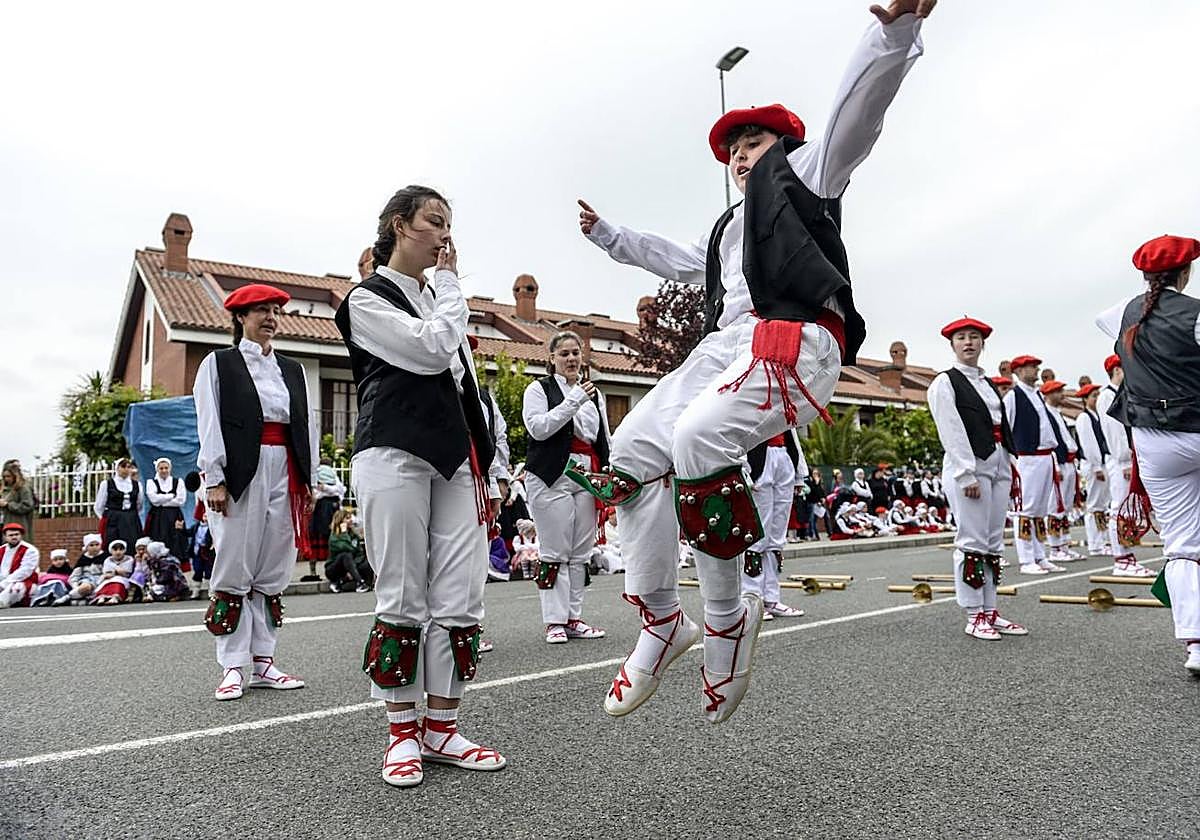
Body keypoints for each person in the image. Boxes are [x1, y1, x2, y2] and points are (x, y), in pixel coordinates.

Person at [576, 0, 936, 724]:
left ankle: (727, 617)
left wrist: (892, 32)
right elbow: (677, 260)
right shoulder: (728, 226)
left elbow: (856, 112)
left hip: (793, 336)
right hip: (724, 347)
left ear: (786, 143)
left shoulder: (809, 177)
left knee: (695, 439)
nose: (741, 154)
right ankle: (659, 620)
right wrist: (610, 235)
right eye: (733, 147)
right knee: (632, 451)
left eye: (752, 140)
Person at [335, 187, 505, 787]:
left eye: (448, 223)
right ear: (399, 225)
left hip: (457, 455)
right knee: (403, 592)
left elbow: (464, 384)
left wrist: (491, 458)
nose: (444, 234)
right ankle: (401, 732)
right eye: (434, 221)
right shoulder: (365, 300)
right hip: (393, 449)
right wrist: (453, 287)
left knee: (459, 593)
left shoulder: (438, 300)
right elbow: (433, 353)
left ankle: (442, 727)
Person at [194, 281, 318, 701]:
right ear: (240, 317)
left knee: (273, 564)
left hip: (285, 468)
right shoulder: (219, 364)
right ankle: (232, 665)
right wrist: (213, 477)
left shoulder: (293, 369)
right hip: (241, 470)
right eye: (261, 311)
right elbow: (209, 422)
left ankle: (264, 661)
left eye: (274, 311)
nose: (270, 318)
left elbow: (305, 425)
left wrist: (310, 478)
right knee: (235, 562)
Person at [1097, 234, 1200, 672]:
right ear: (1186, 271)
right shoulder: (1195, 314)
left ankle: (1196, 645)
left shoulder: (1119, 313)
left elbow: (1105, 320)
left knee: (1182, 544)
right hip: (1196, 426)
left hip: (1154, 442)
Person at [926, 317, 1028, 641]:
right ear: (952, 345)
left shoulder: (988, 383)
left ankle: (991, 609)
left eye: (974, 337)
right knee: (971, 540)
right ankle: (973, 614)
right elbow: (951, 429)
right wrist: (964, 471)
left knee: (993, 541)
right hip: (970, 466)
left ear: (983, 344)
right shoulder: (946, 382)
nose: (968, 342)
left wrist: (1011, 466)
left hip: (997, 463)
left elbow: (1002, 425)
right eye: (961, 338)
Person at [522, 331, 609, 644]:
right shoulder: (539, 388)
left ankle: (574, 617)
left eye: (575, 353)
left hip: (586, 472)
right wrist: (573, 402)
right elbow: (538, 428)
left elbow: (602, 438)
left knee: (580, 552)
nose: (571, 359)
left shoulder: (594, 394)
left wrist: (610, 472)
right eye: (564, 354)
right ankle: (553, 620)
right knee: (555, 550)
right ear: (552, 358)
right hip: (550, 473)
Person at [1003, 355, 1065, 575]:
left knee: (1039, 510)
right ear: (1018, 371)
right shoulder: (1013, 397)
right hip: (1027, 457)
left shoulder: (1037, 395)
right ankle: (1026, 558)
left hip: (1045, 456)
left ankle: (1040, 555)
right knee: (1026, 510)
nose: (1036, 370)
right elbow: (1006, 428)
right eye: (1031, 367)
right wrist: (1012, 461)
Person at [1095, 354, 1155, 577]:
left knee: (1126, 508)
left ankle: (1127, 555)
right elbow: (1114, 432)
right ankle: (1121, 559)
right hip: (1120, 460)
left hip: (1127, 458)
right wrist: (1123, 460)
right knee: (1119, 507)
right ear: (1117, 370)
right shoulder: (1107, 396)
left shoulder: (1121, 394)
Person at [742, 431, 806, 619]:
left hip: (784, 456)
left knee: (777, 537)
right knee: (757, 535)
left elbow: (792, 434)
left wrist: (799, 475)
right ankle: (753, 599)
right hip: (759, 459)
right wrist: (743, 469)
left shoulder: (785, 402)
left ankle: (771, 598)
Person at [1040, 380, 1083, 562]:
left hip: (1068, 461)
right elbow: (1051, 442)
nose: (1061, 395)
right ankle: (1055, 546)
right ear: (1048, 395)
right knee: (1055, 506)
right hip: (1059, 462)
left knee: (1064, 506)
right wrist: (1056, 465)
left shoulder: (1057, 414)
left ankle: (1064, 544)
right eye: (1057, 392)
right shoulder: (1046, 414)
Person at [1074, 383, 1113, 556]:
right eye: (1093, 396)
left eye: (1098, 395)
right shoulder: (1084, 418)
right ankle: (1095, 543)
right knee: (1094, 503)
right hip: (1092, 464)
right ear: (1085, 399)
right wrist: (1096, 466)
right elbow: (1088, 444)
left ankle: (1102, 539)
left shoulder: (1096, 416)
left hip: (1101, 461)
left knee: (1102, 503)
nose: (1096, 399)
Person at [144, 457, 189, 564]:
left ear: (170, 468)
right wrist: (171, 496)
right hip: (158, 516)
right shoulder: (151, 482)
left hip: (175, 516)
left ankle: (176, 564)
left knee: (176, 538)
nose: (164, 470)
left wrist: (162, 500)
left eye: (166, 468)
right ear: (157, 470)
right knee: (159, 537)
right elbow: (154, 500)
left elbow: (181, 501)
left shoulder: (178, 482)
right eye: (161, 468)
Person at [307, 457, 346, 578]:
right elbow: (337, 491)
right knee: (319, 537)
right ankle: (314, 571)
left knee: (325, 537)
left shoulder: (331, 477)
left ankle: (327, 569)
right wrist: (328, 490)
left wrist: (325, 489)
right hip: (324, 511)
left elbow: (340, 490)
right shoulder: (331, 476)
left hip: (326, 511)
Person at [94, 458, 143, 549]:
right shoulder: (107, 484)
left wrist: (131, 514)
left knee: (132, 544)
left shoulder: (137, 485)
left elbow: (139, 503)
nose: (126, 469)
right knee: (113, 544)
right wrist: (108, 518)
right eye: (123, 466)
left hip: (131, 519)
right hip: (113, 519)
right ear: (117, 468)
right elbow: (99, 506)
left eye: (128, 467)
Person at [327, 508, 370, 593]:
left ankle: (341, 581)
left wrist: (353, 568)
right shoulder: (334, 537)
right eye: (347, 518)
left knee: (366, 562)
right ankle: (360, 582)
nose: (350, 520)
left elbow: (359, 553)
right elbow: (346, 547)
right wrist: (344, 533)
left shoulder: (353, 535)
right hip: (334, 568)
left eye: (350, 518)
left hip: (350, 566)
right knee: (346, 555)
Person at [0, 523, 39, 608]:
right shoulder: (1, 549)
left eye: (16, 534)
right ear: (5, 537)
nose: (14, 537)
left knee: (15, 588)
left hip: (23, 582)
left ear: (21, 535)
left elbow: (24, 572)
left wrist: (3, 584)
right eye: (10, 535)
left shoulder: (30, 550)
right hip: (2, 581)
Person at [91, 540, 134, 605]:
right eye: (115, 550)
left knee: (118, 583)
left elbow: (127, 573)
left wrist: (116, 573)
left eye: (121, 549)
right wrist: (114, 573)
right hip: (109, 579)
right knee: (107, 583)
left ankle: (115, 598)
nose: (118, 552)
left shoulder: (129, 559)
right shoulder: (108, 560)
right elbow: (106, 573)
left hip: (123, 579)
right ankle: (102, 597)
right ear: (111, 551)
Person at [0, 464, 36, 539]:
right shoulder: (5, 489)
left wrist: (8, 505)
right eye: (4, 476)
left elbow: (28, 505)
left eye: (8, 476)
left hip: (19, 523)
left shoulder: (23, 488)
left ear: (15, 476)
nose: (6, 479)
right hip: (6, 523)